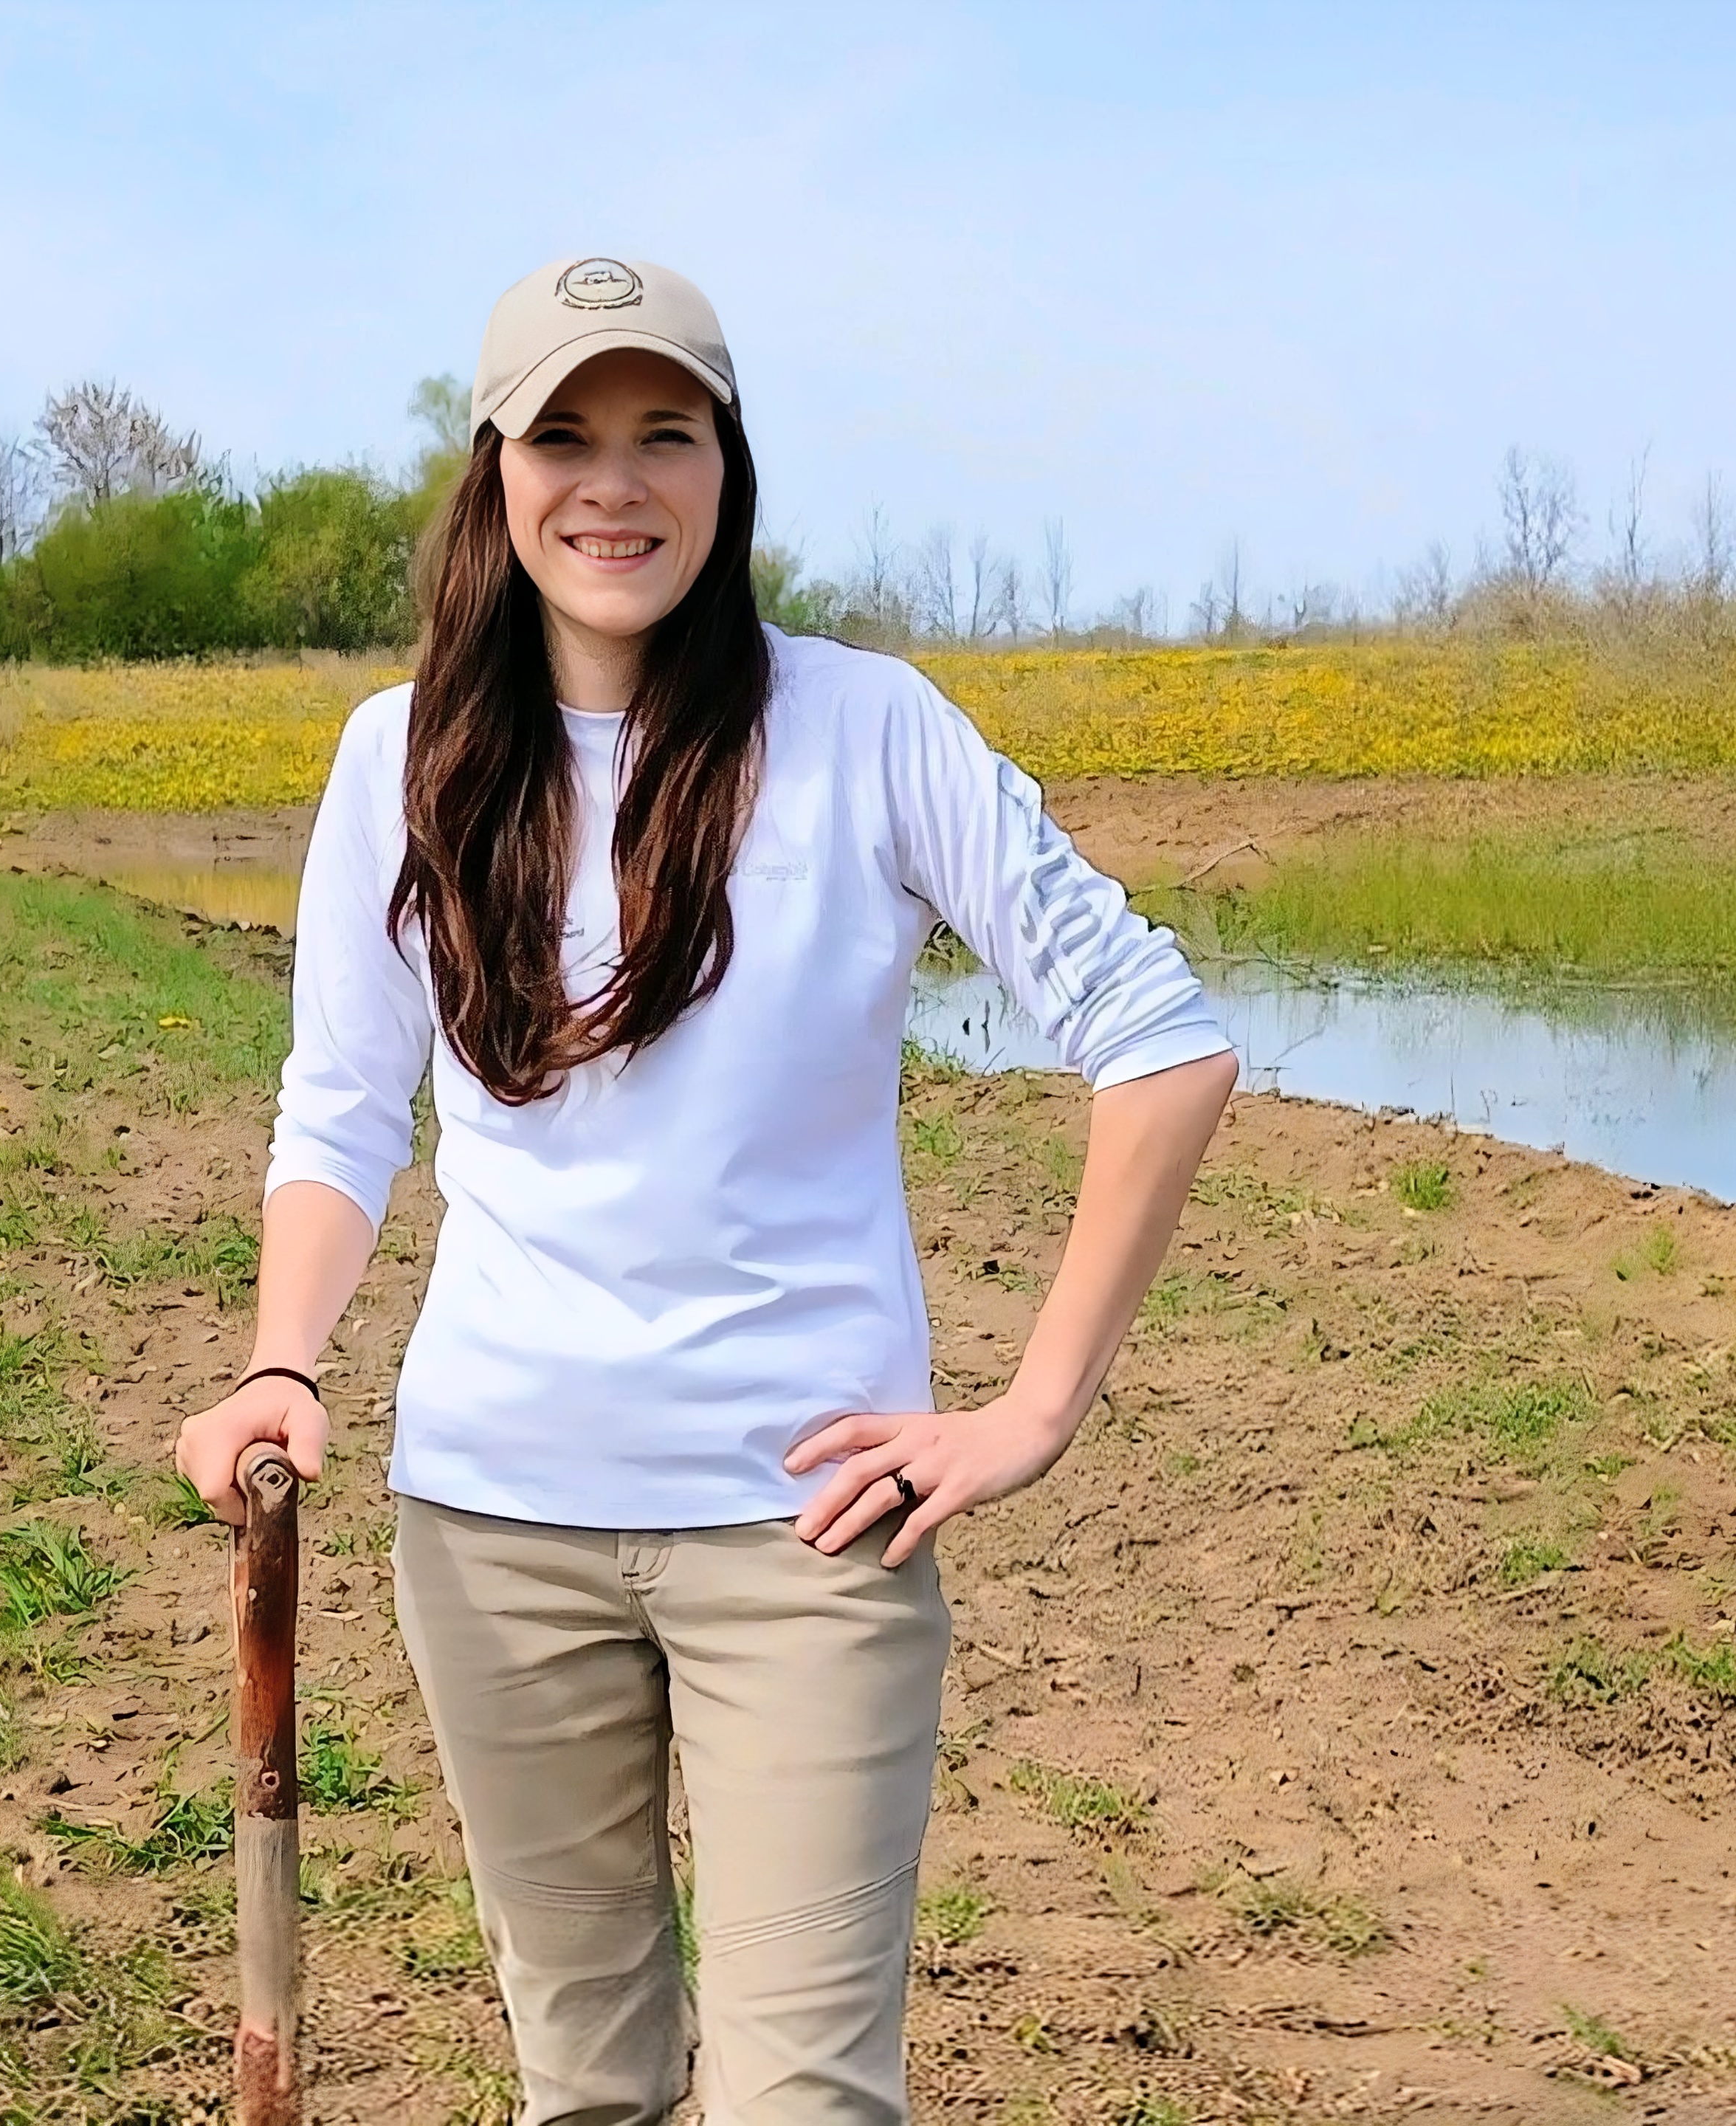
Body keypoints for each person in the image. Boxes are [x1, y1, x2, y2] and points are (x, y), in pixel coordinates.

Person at [173, 255, 1238, 2126]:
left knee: (803, 2100)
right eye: (565, 433)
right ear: (494, 470)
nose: (615, 483)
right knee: (583, 2089)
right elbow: (342, 1111)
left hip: (804, 1538)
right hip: (492, 1528)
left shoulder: (870, 728)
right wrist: (286, 1360)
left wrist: (1034, 1410)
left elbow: (1159, 1036)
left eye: (666, 433)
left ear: (728, 468)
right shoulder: (397, 754)